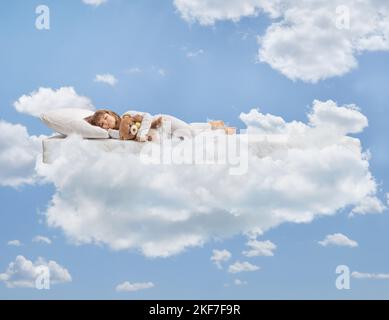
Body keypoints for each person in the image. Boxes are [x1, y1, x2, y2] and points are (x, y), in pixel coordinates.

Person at [85, 109, 192, 141]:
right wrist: (108, 131)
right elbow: (122, 136)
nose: (106, 123)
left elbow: (147, 117)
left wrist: (141, 133)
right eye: (102, 124)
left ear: (110, 114)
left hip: (161, 122)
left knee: (189, 132)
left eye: (105, 118)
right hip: (158, 136)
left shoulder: (127, 115)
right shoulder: (116, 134)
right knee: (183, 142)